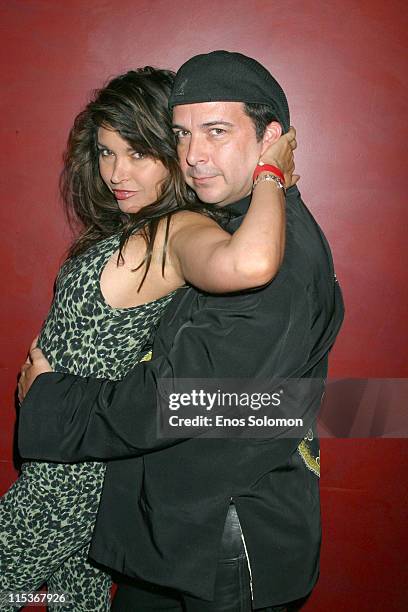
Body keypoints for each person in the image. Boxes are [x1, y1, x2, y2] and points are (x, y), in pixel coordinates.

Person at [18, 51, 344, 611]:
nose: (193, 155)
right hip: (188, 526)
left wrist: (50, 400)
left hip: (224, 540)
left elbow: (183, 402)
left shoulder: (274, 262)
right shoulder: (242, 220)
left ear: (271, 138)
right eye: (182, 134)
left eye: (217, 131)